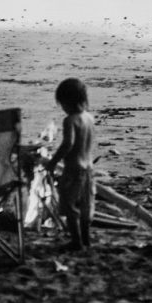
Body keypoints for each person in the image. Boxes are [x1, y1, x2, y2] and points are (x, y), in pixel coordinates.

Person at [46, 77, 96, 250]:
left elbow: (68, 144)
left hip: (74, 170)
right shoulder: (90, 118)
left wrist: (53, 162)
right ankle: (86, 239)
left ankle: (76, 242)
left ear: (68, 102)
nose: (63, 108)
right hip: (89, 169)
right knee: (85, 206)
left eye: (63, 104)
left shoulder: (70, 120)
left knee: (69, 206)